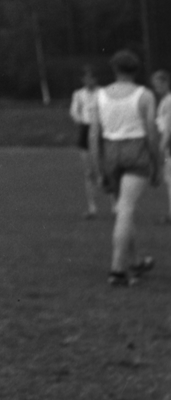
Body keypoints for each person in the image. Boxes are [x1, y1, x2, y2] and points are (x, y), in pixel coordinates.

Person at [89, 50, 160, 286]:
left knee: (122, 209)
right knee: (126, 210)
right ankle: (117, 270)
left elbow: (94, 134)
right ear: (136, 70)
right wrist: (157, 164)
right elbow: (152, 133)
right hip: (135, 149)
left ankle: (136, 261)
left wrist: (98, 168)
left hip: (110, 151)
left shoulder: (99, 95)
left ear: (114, 69)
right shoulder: (144, 95)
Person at [69, 64, 102, 217]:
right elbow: (74, 112)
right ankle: (92, 207)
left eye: (92, 78)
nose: (89, 81)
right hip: (86, 129)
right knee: (89, 172)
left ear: (96, 79)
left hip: (101, 130)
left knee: (106, 169)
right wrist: (82, 121)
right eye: (86, 78)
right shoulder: (78, 94)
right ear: (83, 79)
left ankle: (115, 205)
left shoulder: (103, 93)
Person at [152, 69, 171, 223]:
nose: (156, 88)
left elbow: (168, 129)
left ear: (166, 83)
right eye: (155, 85)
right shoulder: (165, 100)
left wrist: (162, 147)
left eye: (159, 84)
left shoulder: (169, 101)